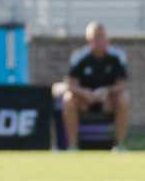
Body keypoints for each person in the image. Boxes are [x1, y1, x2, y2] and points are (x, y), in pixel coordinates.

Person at [55, 21, 129, 152]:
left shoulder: (117, 56)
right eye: (96, 37)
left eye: (102, 36)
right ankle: (73, 146)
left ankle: (119, 145)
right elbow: (70, 84)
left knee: (124, 98)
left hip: (108, 101)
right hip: (84, 101)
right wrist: (84, 93)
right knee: (68, 99)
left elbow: (122, 84)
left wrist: (107, 91)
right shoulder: (80, 57)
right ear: (89, 40)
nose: (100, 40)